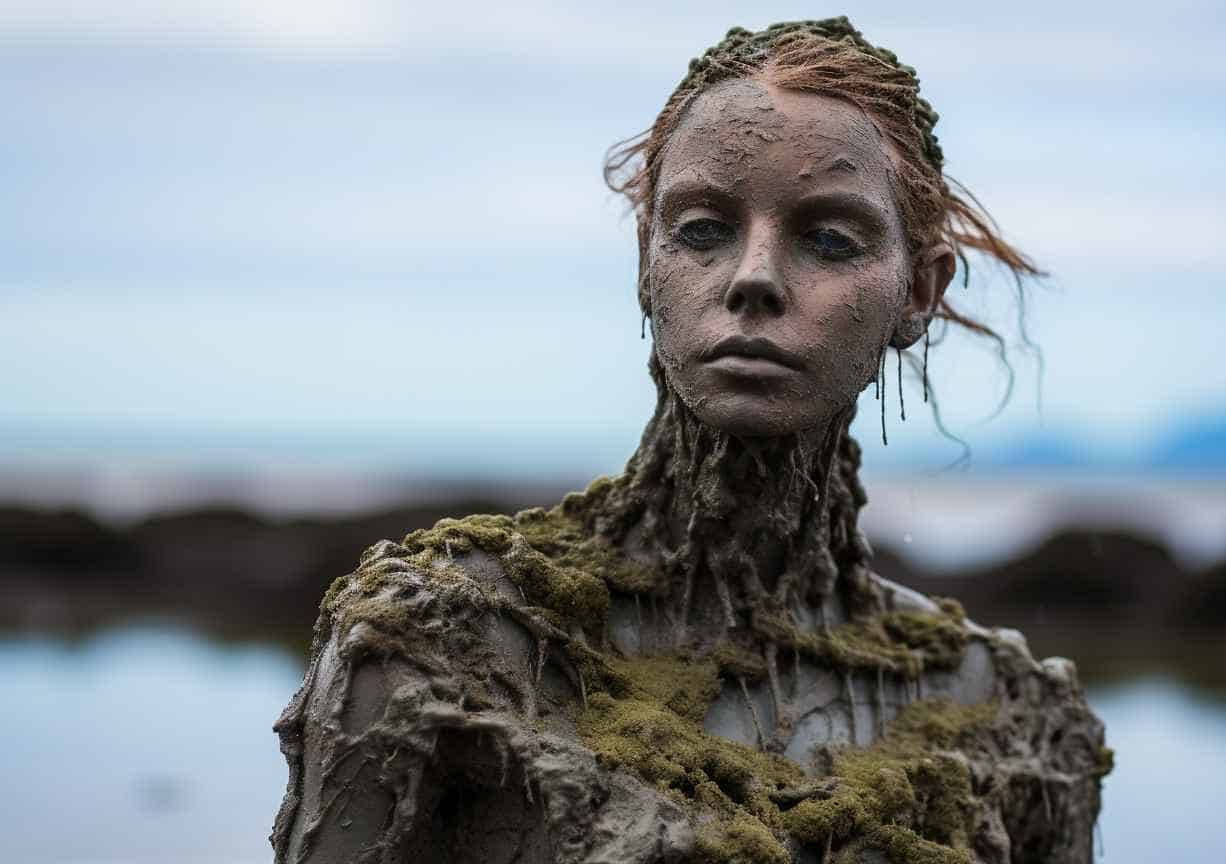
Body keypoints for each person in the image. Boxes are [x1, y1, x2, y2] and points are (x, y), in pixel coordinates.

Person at [271, 18, 1108, 864]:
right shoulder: (438, 647)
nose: (753, 279)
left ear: (918, 292)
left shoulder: (1012, 720)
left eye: (828, 239)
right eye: (703, 229)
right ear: (647, 261)